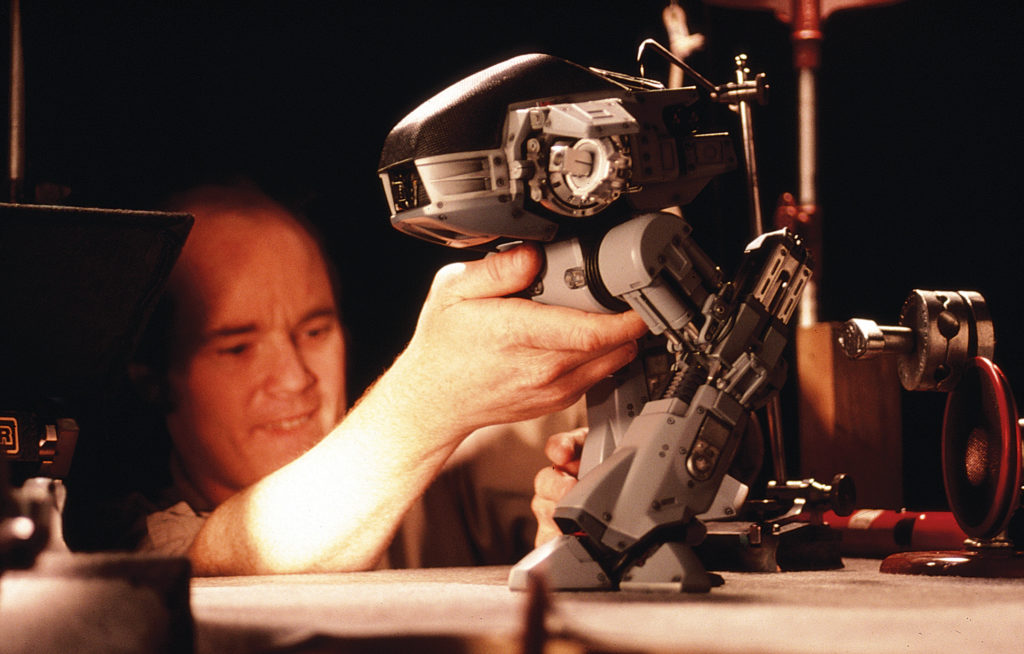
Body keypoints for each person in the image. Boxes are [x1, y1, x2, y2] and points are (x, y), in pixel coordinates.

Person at [123, 181, 647, 576]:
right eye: (237, 347)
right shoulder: (123, 555)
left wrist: (570, 553)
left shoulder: (446, 484)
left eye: (314, 330)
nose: (294, 378)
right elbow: (227, 558)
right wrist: (431, 395)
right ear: (153, 378)